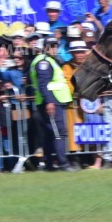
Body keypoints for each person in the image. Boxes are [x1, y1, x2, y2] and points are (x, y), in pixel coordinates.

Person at [30, 38, 76, 170]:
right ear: (45, 48)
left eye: (55, 46)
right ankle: (63, 164)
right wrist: (49, 102)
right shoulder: (44, 62)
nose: (54, 49)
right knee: (59, 133)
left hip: (53, 101)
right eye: (51, 46)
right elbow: (43, 84)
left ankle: (49, 164)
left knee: (50, 134)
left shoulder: (49, 60)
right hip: (52, 101)